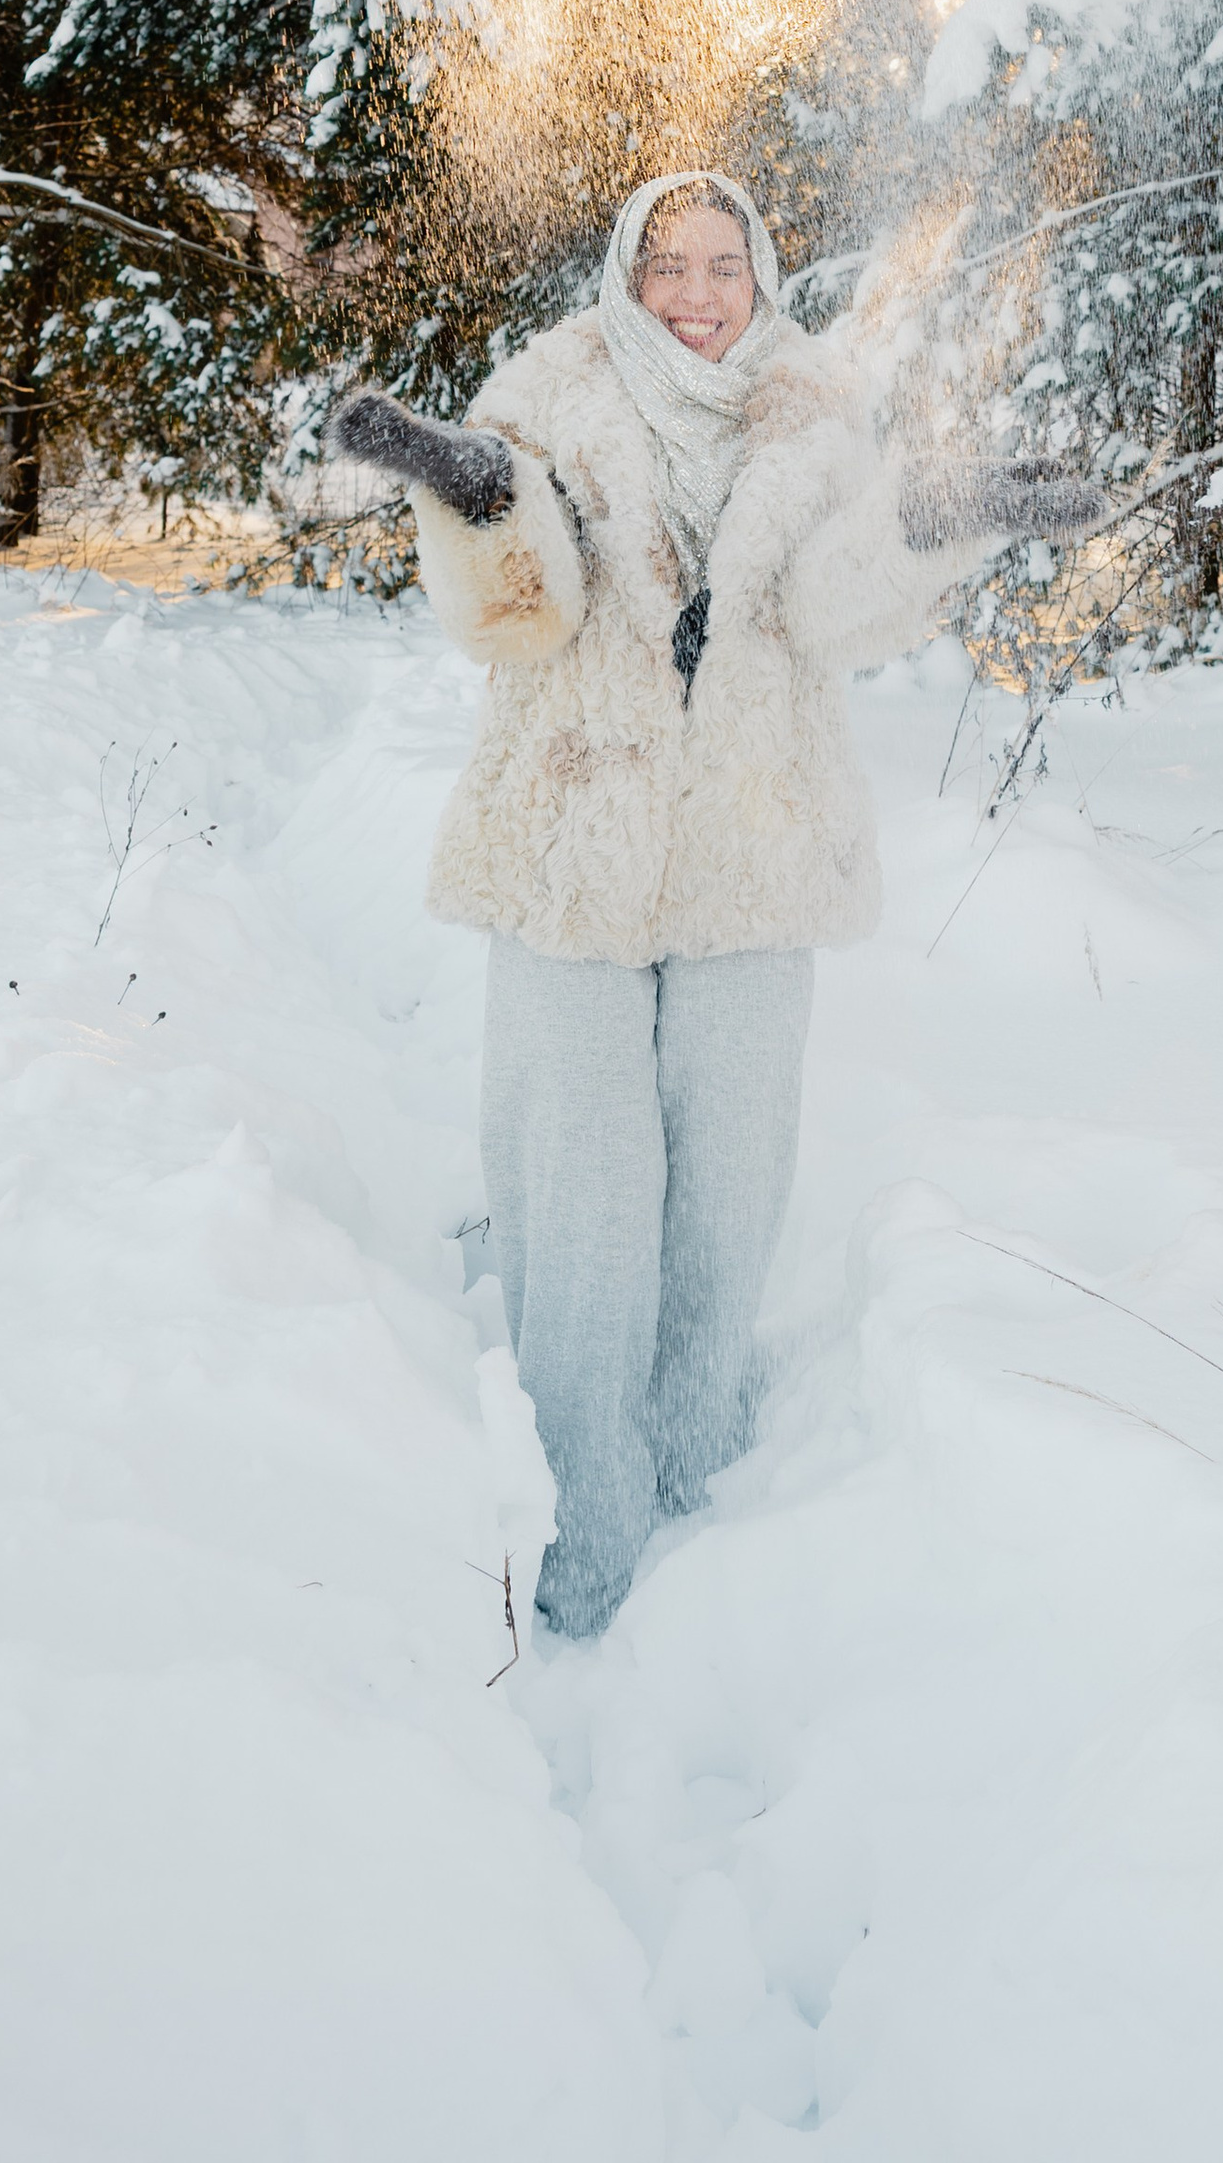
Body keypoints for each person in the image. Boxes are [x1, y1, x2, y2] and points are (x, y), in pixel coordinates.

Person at [335, 170, 1102, 1637]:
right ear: (625, 274)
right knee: (590, 1190)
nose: (695, 292)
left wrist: (943, 515)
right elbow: (527, 608)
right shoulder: (546, 390)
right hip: (577, 832)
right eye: (667, 264)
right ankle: (583, 1526)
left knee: (730, 1184)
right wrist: (482, 497)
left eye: (722, 265)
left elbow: (832, 597)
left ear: (762, 278)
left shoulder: (813, 408)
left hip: (752, 843)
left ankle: (700, 1495)